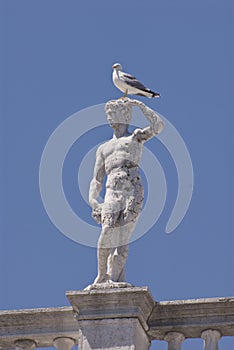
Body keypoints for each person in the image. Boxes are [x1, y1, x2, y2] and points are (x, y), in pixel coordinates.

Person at [89, 98, 164, 284]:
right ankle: (101, 276)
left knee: (122, 239)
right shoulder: (103, 148)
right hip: (111, 191)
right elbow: (97, 179)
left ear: (125, 115)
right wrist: (93, 200)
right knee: (106, 232)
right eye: (108, 114)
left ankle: (114, 278)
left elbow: (158, 126)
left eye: (113, 113)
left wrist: (141, 106)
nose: (109, 117)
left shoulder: (135, 137)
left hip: (132, 190)